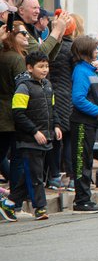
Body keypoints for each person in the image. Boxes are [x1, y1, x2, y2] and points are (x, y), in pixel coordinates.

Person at [1, 51, 57, 221]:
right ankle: (40, 208)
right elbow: (18, 114)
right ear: (29, 68)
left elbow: (52, 110)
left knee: (30, 175)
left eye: (46, 66)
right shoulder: (23, 87)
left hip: (45, 138)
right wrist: (34, 131)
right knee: (36, 176)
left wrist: (57, 126)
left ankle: (9, 203)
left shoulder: (47, 85)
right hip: (29, 140)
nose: (45, 69)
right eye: (41, 66)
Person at [68, 36, 98, 214]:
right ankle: (81, 200)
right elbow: (78, 98)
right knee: (81, 161)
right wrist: (96, 111)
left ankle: (85, 198)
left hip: (89, 124)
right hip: (83, 123)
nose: (97, 51)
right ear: (85, 52)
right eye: (94, 48)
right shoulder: (81, 71)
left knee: (87, 160)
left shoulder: (89, 69)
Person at [47, 13, 82, 189]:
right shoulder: (72, 50)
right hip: (67, 95)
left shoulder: (50, 46)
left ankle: (53, 175)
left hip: (50, 94)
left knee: (54, 137)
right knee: (68, 137)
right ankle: (72, 176)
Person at [0, 22, 25, 186]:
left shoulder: (3, 55)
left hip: (5, 114)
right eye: (22, 33)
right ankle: (15, 198)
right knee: (17, 158)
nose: (27, 36)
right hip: (13, 114)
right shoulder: (15, 58)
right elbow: (22, 87)